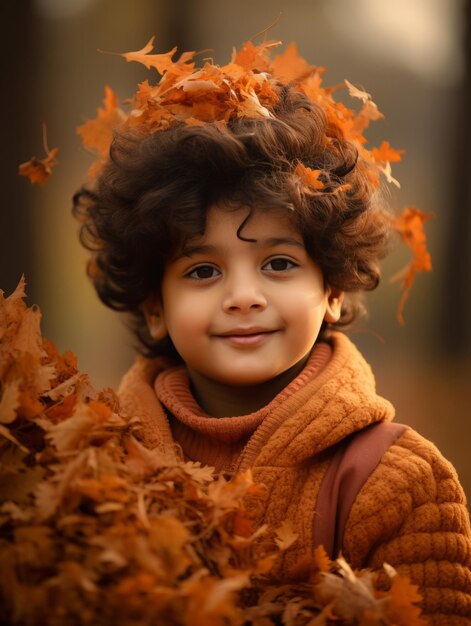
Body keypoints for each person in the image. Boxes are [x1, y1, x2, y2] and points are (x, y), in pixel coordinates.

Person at [72, 38, 471, 624]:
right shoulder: (93, 462)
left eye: (278, 264)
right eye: (203, 271)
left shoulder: (399, 482)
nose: (243, 297)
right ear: (155, 306)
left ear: (331, 289)